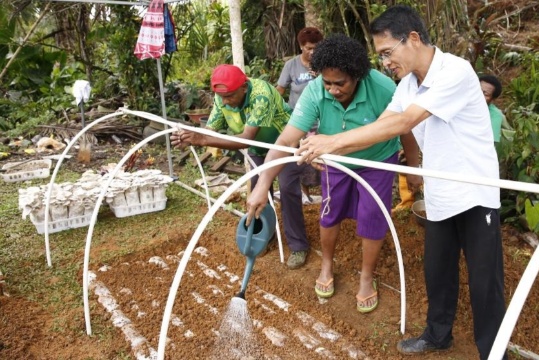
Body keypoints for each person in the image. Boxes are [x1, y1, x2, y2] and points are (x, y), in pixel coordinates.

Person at [295, 6, 507, 359]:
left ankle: (494, 351)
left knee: (485, 281)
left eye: (387, 53)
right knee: (438, 272)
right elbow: (383, 122)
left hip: (474, 193)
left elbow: (404, 122)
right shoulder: (408, 84)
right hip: (439, 191)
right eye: (381, 56)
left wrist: (330, 142)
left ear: (412, 38)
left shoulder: (454, 71)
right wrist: (331, 149)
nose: (385, 63)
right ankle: (438, 336)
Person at [245, 34, 420, 314]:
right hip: (334, 162)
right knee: (330, 213)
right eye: (328, 83)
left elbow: (405, 129)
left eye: (341, 83)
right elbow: (286, 140)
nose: (333, 90)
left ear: (358, 76)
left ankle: (366, 277)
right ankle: (327, 264)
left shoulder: (383, 87)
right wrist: (263, 183)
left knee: (372, 218)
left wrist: (413, 167)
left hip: (376, 160)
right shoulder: (316, 91)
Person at [170, 64, 311, 270]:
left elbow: (246, 139)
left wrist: (202, 139)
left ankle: (298, 245)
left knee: (288, 189)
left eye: (230, 96)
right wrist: (192, 139)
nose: (225, 101)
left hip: (284, 144)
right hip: (259, 149)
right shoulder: (222, 96)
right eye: (222, 97)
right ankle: (265, 235)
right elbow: (211, 130)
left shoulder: (261, 94)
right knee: (258, 193)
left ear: (244, 87)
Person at [276, 27, 324, 205]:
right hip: (298, 122)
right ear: (301, 46)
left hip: (321, 121)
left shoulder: (324, 64)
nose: (312, 52)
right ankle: (304, 195)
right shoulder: (291, 65)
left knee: (320, 158)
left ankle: (325, 191)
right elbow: (280, 90)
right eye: (308, 48)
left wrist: (320, 75)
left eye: (316, 48)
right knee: (299, 158)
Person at [479, 74, 505, 143]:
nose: (479, 95)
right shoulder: (459, 104)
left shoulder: (495, 115)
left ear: (492, 99)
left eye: (485, 94)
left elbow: (489, 143)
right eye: (478, 90)